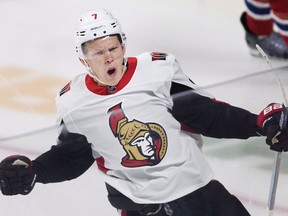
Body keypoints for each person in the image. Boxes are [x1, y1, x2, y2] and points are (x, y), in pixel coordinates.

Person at [0, 8, 288, 216]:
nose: (109, 57)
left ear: (124, 45)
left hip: (198, 194)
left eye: (113, 47)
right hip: (140, 208)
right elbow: (74, 155)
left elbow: (205, 114)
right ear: (82, 58)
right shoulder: (73, 102)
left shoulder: (157, 72)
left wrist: (260, 123)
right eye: (98, 52)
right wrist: (35, 171)